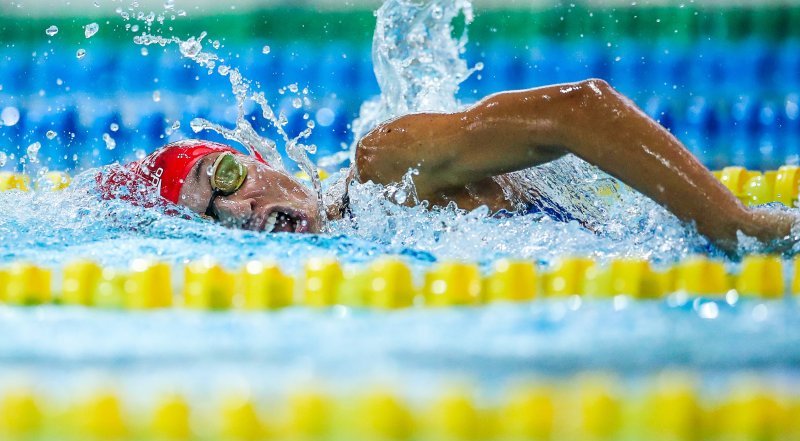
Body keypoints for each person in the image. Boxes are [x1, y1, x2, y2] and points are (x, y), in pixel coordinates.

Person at [98, 79, 798, 254]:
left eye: (224, 180)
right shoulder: (358, 243)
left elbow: (580, 109)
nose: (242, 209)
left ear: (256, 157)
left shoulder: (383, 168)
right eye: (214, 218)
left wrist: (732, 223)